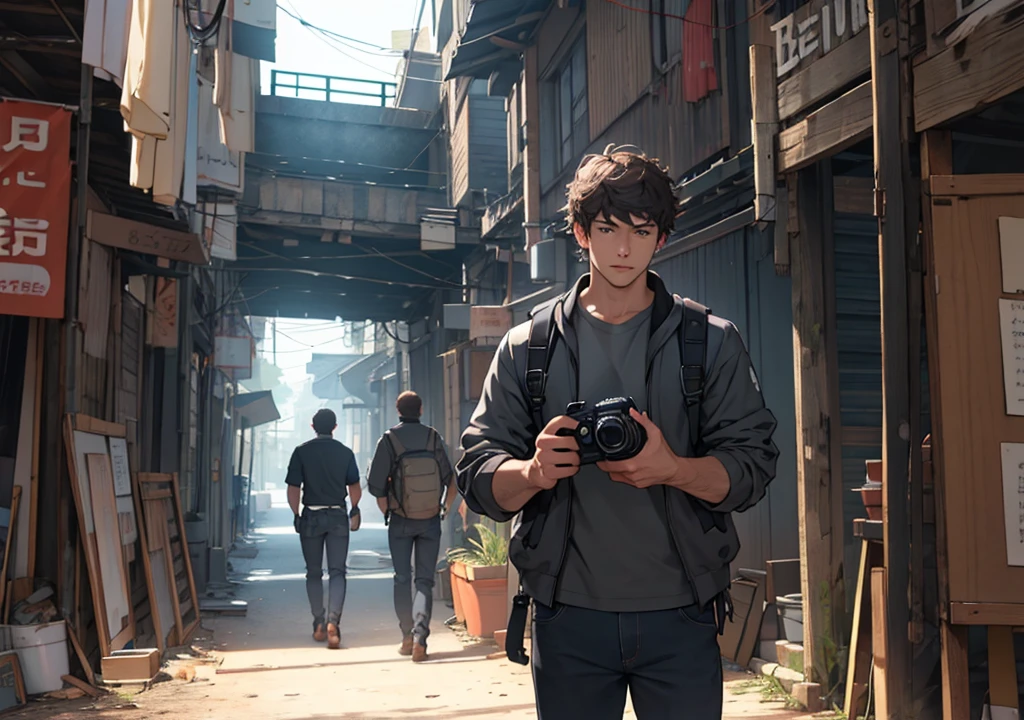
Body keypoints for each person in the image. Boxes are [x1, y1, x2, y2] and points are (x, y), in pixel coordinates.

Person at [456, 146, 779, 719]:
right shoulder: (529, 347)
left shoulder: (709, 341)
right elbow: (479, 476)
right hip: (567, 616)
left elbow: (753, 467)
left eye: (642, 229)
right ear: (581, 233)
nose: (624, 248)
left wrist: (672, 468)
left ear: (661, 236)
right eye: (607, 228)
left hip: (681, 612)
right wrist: (531, 472)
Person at [368, 391, 457, 663]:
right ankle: (421, 638)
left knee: (402, 578)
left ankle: (406, 636)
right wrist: (443, 509)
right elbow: (451, 481)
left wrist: (389, 511)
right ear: (420, 409)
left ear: (397, 410)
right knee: (424, 580)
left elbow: (375, 485)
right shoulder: (433, 438)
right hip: (430, 519)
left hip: (400, 520)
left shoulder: (389, 440)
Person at [286, 408, 362, 650]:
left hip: (312, 516)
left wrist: (296, 513)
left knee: (314, 572)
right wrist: (355, 509)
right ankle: (334, 623)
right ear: (335, 427)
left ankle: (318, 622)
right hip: (338, 515)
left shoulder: (301, 452)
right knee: (338, 571)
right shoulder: (345, 452)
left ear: (312, 426)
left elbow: (293, 488)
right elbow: (355, 487)